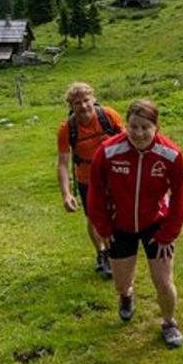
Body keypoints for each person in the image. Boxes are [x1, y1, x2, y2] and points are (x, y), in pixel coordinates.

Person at [88, 99, 183, 348]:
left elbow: (179, 198)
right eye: (133, 126)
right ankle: (126, 296)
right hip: (119, 226)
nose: (139, 133)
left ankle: (169, 322)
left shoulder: (171, 155)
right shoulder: (108, 152)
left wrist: (169, 233)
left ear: (156, 127)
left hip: (157, 227)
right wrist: (104, 227)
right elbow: (95, 193)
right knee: (120, 282)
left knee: (164, 282)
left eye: (145, 127)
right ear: (126, 125)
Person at [57, 82, 124, 278]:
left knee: (117, 213)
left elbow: (128, 141)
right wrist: (66, 194)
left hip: (114, 174)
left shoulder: (109, 116)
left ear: (93, 100)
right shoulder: (67, 129)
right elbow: (62, 163)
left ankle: (116, 250)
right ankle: (102, 253)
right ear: (71, 106)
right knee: (93, 217)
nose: (84, 106)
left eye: (86, 101)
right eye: (78, 103)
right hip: (87, 178)